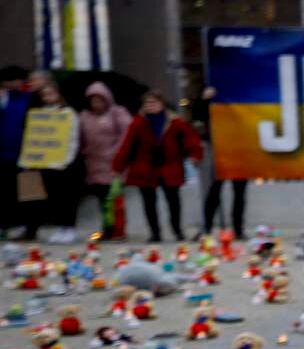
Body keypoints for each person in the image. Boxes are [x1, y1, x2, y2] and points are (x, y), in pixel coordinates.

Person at [112, 91, 203, 242]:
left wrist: (195, 154)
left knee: (173, 201)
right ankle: (155, 232)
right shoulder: (138, 123)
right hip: (146, 168)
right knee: (149, 202)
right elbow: (127, 145)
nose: (150, 106)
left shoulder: (175, 122)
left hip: (170, 166)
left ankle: (177, 230)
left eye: (153, 102)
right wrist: (118, 166)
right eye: (147, 103)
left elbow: (190, 139)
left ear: (162, 104)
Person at [19, 84, 81, 243]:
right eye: (44, 95)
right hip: (38, 163)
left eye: (50, 94)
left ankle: (67, 228)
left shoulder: (68, 113)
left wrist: (65, 160)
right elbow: (31, 137)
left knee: (63, 197)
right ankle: (33, 229)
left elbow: (72, 139)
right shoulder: (36, 114)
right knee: (37, 197)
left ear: (59, 95)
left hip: (59, 163)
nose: (47, 98)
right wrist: (28, 159)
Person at [79, 81, 133, 235]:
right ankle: (107, 227)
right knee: (101, 199)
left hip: (114, 164)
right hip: (94, 164)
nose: (96, 104)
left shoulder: (117, 113)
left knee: (114, 198)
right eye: (93, 100)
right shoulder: (85, 117)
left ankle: (118, 228)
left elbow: (127, 133)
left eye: (99, 100)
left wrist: (117, 152)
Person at [194, 86, 248, 240]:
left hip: (240, 149)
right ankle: (207, 227)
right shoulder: (215, 95)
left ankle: (238, 229)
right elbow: (199, 116)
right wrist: (204, 100)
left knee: (239, 193)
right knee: (214, 191)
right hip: (221, 150)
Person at [0, 66, 34, 239]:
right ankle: (4, 225)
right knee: (5, 192)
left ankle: (27, 226)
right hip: (3, 154)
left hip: (26, 153)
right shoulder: (3, 99)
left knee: (28, 190)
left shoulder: (28, 98)